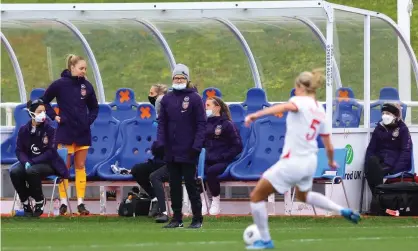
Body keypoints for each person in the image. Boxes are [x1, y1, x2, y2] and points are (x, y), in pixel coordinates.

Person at [243, 69, 360, 249]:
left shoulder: (299, 101)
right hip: (310, 161)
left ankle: (265, 240)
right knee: (303, 195)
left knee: (257, 196)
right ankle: (341, 209)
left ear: (300, 87)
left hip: (293, 161)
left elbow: (283, 107)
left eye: (295, 88)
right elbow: (328, 145)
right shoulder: (321, 110)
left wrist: (255, 115)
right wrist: (331, 161)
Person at [41, 54, 99, 215]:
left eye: (85, 68)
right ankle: (64, 202)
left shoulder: (87, 86)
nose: (84, 71)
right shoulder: (59, 84)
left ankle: (81, 203)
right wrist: (55, 116)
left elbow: (94, 107)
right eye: (81, 68)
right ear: (72, 67)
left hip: (82, 132)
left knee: (80, 166)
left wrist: (88, 121)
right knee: (64, 167)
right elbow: (44, 101)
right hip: (65, 132)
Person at [154, 63, 206, 228]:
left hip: (189, 149)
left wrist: (197, 146)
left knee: (191, 184)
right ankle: (176, 218)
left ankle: (197, 218)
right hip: (171, 150)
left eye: (181, 77)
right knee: (174, 185)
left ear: (187, 79)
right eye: (176, 77)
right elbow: (162, 123)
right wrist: (161, 143)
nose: (178, 80)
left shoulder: (195, 98)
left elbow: (201, 124)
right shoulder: (167, 99)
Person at [10, 99, 69, 217]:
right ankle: (26, 203)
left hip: (48, 164)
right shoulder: (23, 130)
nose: (43, 114)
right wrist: (26, 161)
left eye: (44, 111)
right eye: (39, 111)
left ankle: (39, 200)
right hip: (30, 162)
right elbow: (19, 150)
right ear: (31, 113)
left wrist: (32, 162)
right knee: (15, 171)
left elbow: (51, 152)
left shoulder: (50, 130)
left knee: (32, 171)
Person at [131, 84, 170, 223]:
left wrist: (156, 147)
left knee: (155, 176)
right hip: (159, 161)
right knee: (137, 170)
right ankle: (154, 198)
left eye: (152, 93)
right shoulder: (159, 121)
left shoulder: (170, 122)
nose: (150, 96)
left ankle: (163, 210)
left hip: (171, 162)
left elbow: (163, 146)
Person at [202, 96, 243, 215]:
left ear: (217, 107)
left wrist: (224, 156)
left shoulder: (227, 124)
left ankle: (216, 201)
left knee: (211, 171)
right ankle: (203, 202)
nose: (206, 108)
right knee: (195, 171)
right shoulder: (204, 124)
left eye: (208, 106)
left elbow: (237, 146)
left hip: (223, 160)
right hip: (207, 159)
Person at [364, 103, 412, 194]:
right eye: (383, 113)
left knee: (374, 172)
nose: (385, 116)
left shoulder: (402, 129)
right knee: (372, 164)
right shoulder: (379, 128)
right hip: (378, 161)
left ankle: (378, 199)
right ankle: (380, 198)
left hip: (393, 162)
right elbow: (371, 149)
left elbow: (406, 151)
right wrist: (367, 165)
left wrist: (396, 169)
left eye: (388, 114)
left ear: (395, 115)